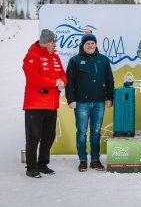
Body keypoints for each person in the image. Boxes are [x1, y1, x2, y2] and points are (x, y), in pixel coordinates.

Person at [65, 31, 114, 172]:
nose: (90, 45)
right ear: (83, 45)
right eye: (88, 43)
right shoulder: (75, 60)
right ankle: (82, 160)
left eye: (93, 43)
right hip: (81, 103)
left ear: (96, 45)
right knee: (81, 131)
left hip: (99, 102)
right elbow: (70, 82)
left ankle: (95, 160)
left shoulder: (103, 60)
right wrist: (71, 99)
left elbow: (109, 80)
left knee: (96, 131)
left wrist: (109, 97)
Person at [22, 29, 67, 178]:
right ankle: (31, 167)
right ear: (45, 43)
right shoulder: (31, 56)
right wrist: (54, 82)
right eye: (53, 42)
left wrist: (62, 82)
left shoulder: (55, 57)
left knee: (49, 136)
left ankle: (42, 164)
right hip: (35, 105)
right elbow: (33, 77)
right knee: (33, 137)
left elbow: (62, 74)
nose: (55, 44)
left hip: (51, 105)